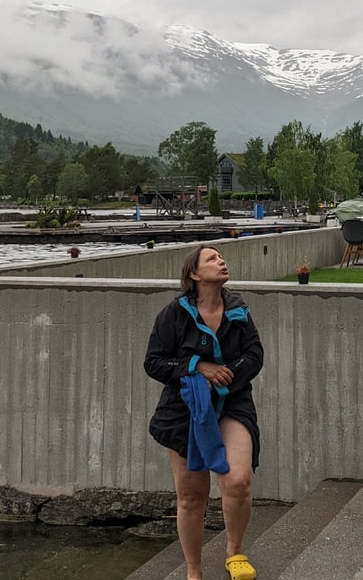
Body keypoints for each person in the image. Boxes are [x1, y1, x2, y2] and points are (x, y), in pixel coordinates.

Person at [144, 245, 264, 580]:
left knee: (238, 482)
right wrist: (198, 367)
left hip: (232, 403)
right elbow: (154, 362)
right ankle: (194, 571)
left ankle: (234, 553)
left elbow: (255, 355)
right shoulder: (174, 314)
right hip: (184, 410)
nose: (221, 261)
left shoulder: (238, 309)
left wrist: (224, 377)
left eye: (221, 257)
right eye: (212, 259)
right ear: (194, 273)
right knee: (191, 496)